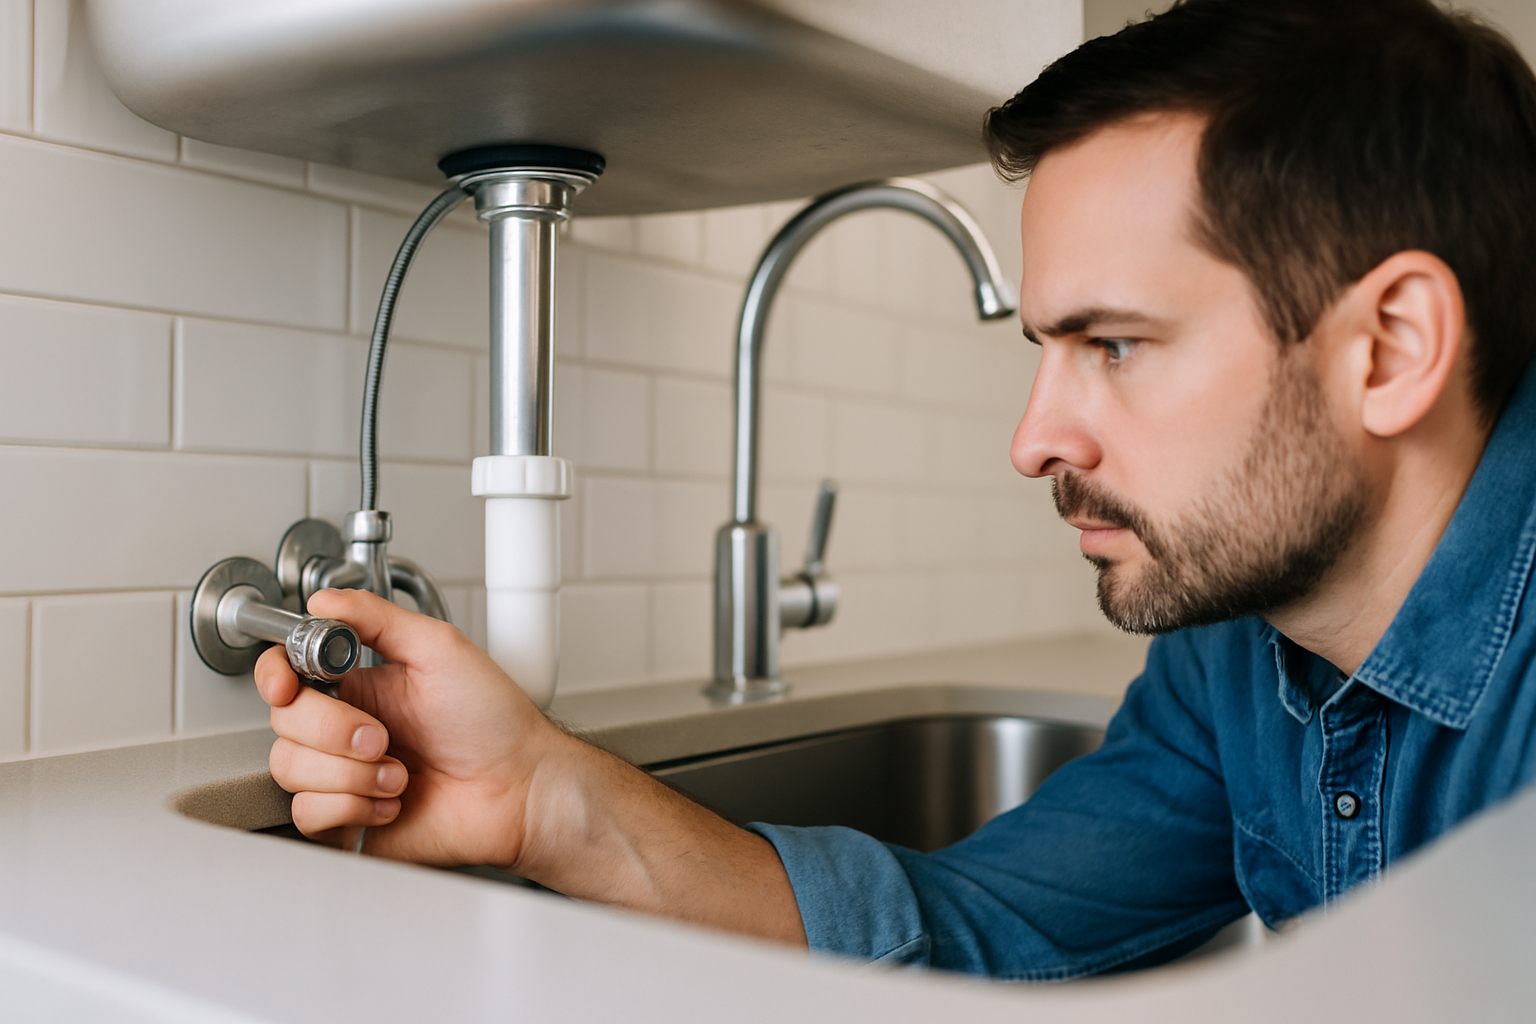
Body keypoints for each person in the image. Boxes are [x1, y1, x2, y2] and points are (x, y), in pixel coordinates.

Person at [255, 0, 1536, 978]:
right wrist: (545, 796)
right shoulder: (1237, 655)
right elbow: (985, 921)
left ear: (1391, 349)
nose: (1033, 440)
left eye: (1115, 345)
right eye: (1046, 349)